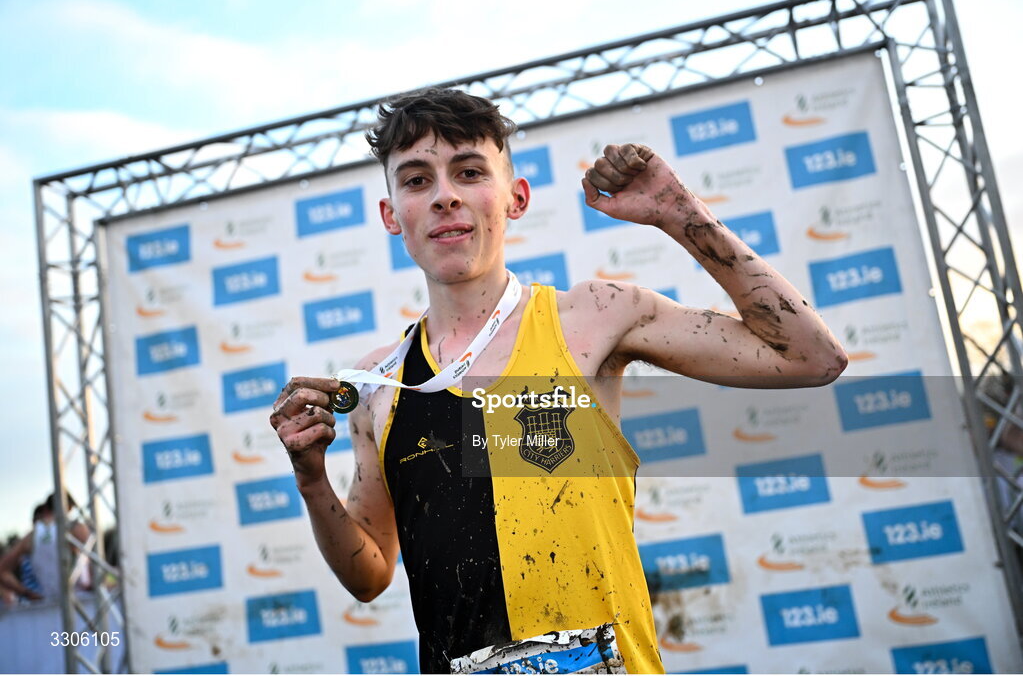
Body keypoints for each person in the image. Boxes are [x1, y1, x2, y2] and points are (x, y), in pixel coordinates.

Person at [270, 88, 848, 673]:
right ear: (392, 214)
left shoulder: (595, 316)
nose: (445, 196)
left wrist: (680, 213)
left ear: (515, 198)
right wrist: (312, 478)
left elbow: (810, 357)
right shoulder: (381, 385)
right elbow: (369, 575)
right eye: (417, 180)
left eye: (469, 172)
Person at [0, 494, 91, 603]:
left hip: (48, 606)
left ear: (46, 509)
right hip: (83, 603)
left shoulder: (31, 536)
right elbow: (95, 568)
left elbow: (3, 571)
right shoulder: (76, 529)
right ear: (69, 508)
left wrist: (27, 593)